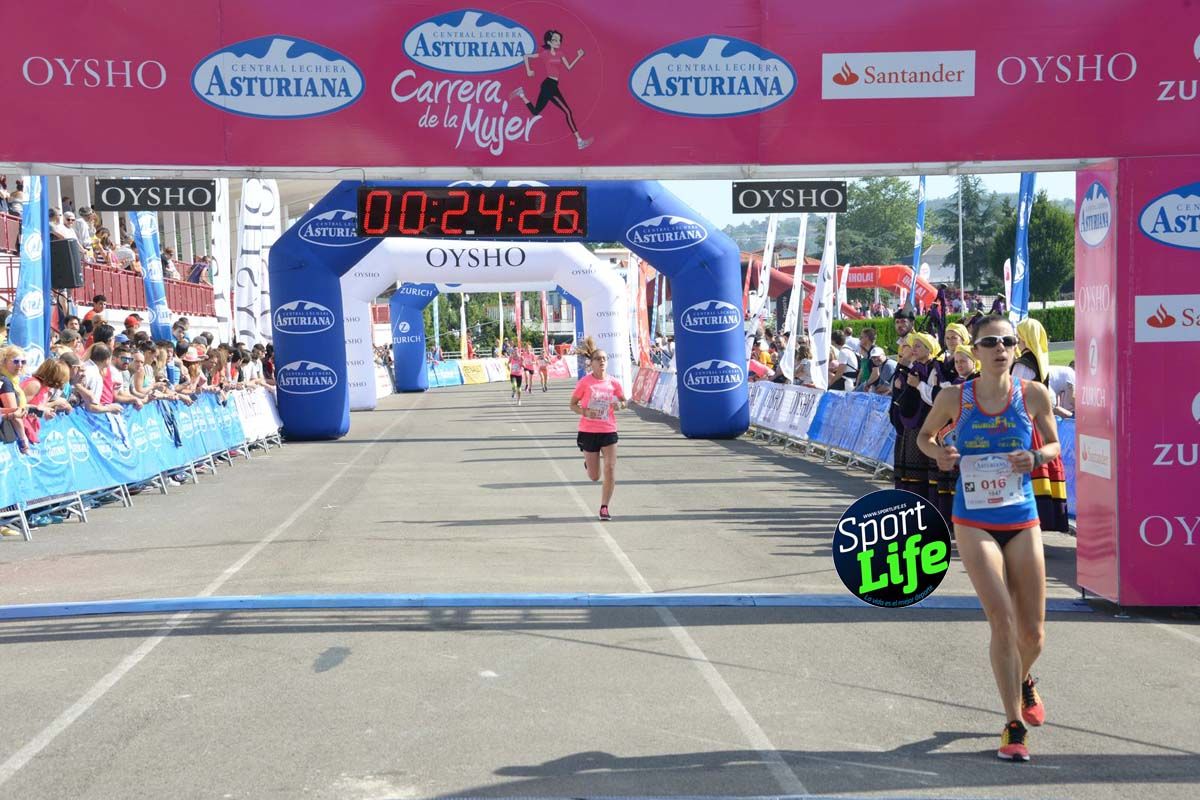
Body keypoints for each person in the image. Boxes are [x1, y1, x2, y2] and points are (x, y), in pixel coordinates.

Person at [918, 314, 1060, 762]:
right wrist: (940, 452)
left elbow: (1056, 445)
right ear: (974, 351)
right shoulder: (953, 396)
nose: (1000, 349)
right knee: (1001, 617)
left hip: (1021, 517)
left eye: (1007, 342)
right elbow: (925, 436)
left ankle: (1023, 677)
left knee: (1033, 635)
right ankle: (1013, 724)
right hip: (973, 518)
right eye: (990, 342)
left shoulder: (1034, 394)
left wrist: (1036, 454)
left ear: (1016, 349)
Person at [1011, 318, 1069, 533]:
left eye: (1019, 336)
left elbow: (1015, 395)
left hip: (1026, 424)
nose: (1016, 340)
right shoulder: (1038, 362)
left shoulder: (1023, 364)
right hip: (1039, 423)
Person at [570, 337, 626, 521]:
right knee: (594, 476)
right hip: (588, 430)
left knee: (610, 468)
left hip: (608, 430)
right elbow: (572, 404)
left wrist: (620, 405)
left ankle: (604, 507)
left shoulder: (614, 383)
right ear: (591, 363)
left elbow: (624, 400)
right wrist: (585, 412)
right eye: (598, 359)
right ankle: (589, 463)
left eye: (604, 358)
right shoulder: (585, 383)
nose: (602, 361)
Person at [511, 30, 593, 150]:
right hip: (549, 85)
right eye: (555, 40)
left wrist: (579, 56)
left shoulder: (560, 54)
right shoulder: (545, 54)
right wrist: (528, 70)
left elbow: (569, 67)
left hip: (551, 85)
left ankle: (521, 94)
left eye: (559, 40)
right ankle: (579, 141)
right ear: (549, 42)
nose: (558, 42)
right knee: (568, 112)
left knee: (535, 112)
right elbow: (526, 56)